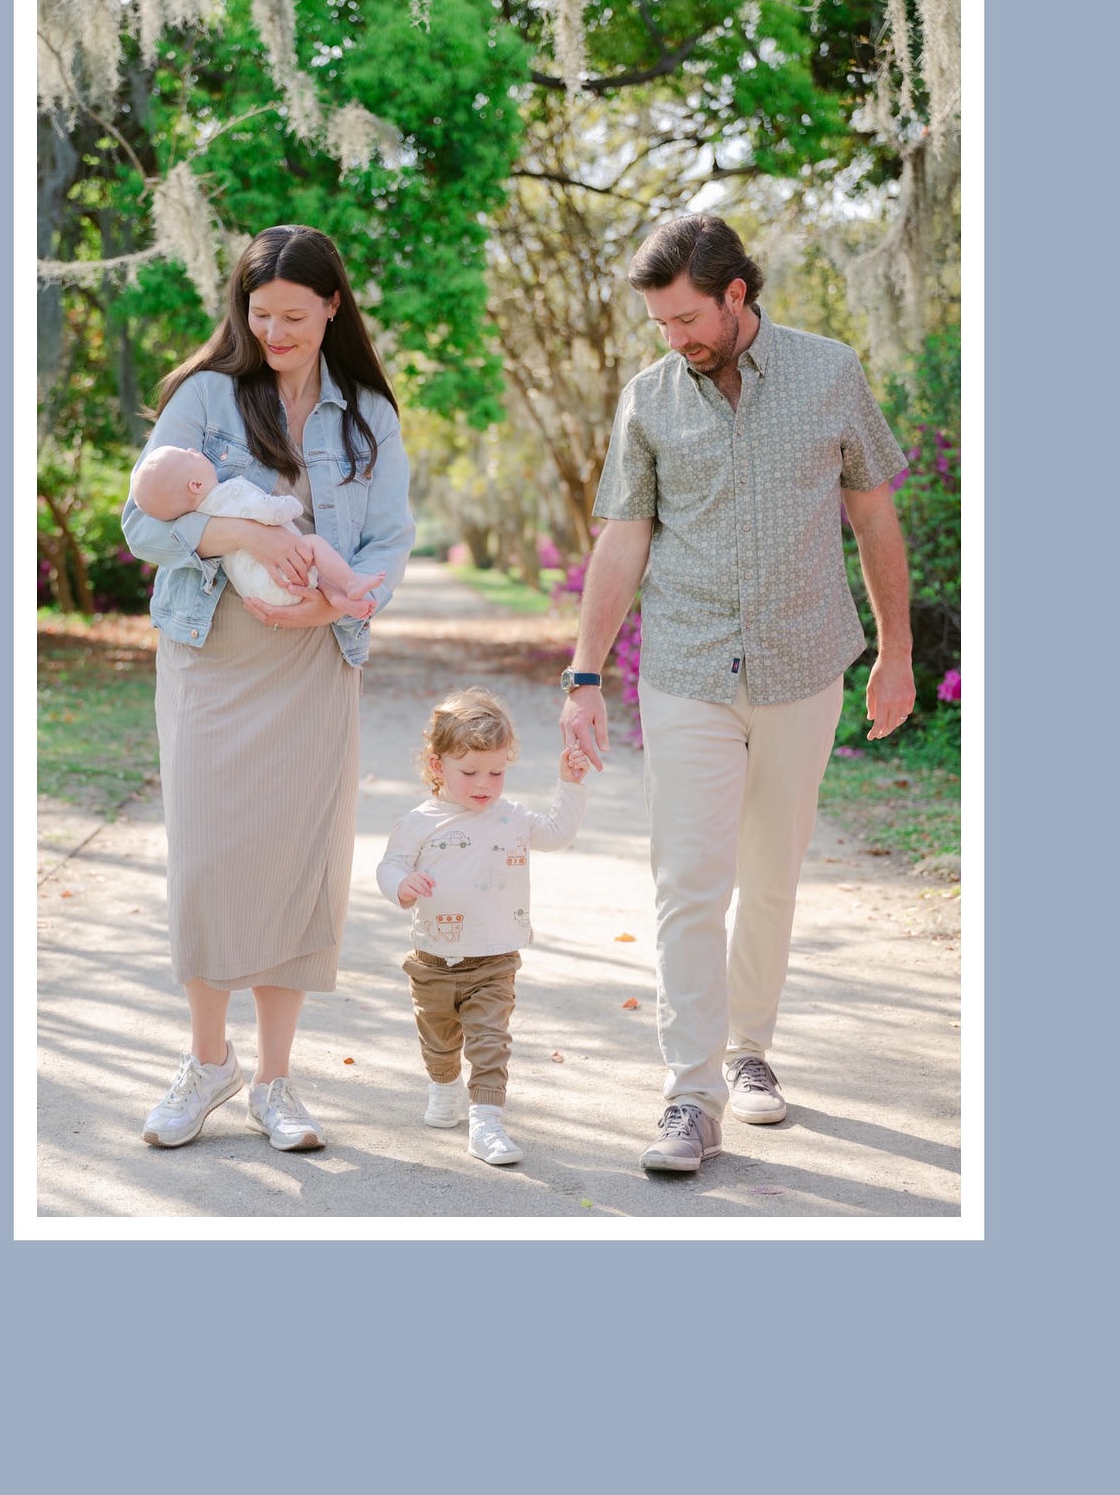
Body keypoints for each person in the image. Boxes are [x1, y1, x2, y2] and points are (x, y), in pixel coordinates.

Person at [558, 213, 914, 1174]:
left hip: (804, 664)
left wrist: (896, 652)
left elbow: (872, 512)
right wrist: (585, 675)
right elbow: (623, 536)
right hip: (687, 669)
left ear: (736, 295)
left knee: (774, 873)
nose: (673, 339)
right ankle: (690, 1094)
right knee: (688, 881)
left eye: (684, 320)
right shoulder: (649, 398)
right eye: (660, 325)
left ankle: (752, 1051)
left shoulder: (829, 371)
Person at [121, 223, 415, 1152]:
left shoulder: (368, 411)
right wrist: (244, 537)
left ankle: (277, 1083)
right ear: (240, 313)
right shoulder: (206, 396)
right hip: (213, 655)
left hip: (314, 661)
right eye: (260, 315)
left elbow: (390, 543)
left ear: (334, 306)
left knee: (297, 863)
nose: (277, 332)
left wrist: (328, 614)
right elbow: (143, 522)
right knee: (208, 859)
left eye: (295, 314)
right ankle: (209, 1061)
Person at [376, 688, 590, 1167]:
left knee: (490, 1042)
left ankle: (487, 1122)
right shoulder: (418, 823)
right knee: (439, 1038)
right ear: (437, 767)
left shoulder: (510, 818)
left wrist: (570, 785)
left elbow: (557, 834)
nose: (484, 783)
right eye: (469, 772)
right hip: (434, 960)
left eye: (496, 771)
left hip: (494, 958)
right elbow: (388, 865)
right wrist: (402, 885)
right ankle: (443, 1084)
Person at [129, 443, 385, 618]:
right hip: (278, 574)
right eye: (189, 455)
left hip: (260, 592)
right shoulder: (229, 492)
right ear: (196, 484)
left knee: (317, 576)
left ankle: (337, 600)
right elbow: (266, 510)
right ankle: (351, 583)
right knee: (315, 545)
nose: (194, 449)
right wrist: (290, 506)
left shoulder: (202, 517)